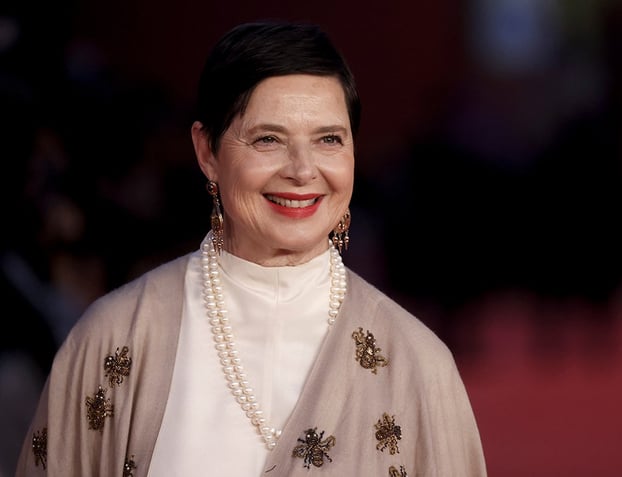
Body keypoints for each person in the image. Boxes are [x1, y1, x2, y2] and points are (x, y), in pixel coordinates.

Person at [15, 20, 487, 476]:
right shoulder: (115, 338)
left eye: (328, 140)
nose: (303, 171)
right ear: (207, 153)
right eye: (268, 139)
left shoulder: (417, 363)